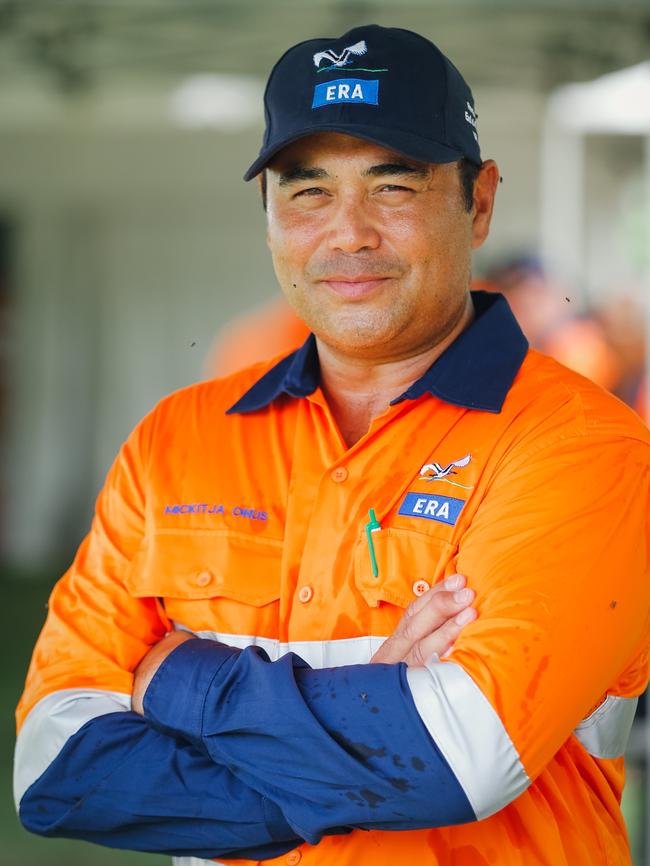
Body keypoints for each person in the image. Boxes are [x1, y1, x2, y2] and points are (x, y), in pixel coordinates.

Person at [14, 23, 650, 866]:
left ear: (481, 200)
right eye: (307, 191)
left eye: (394, 185)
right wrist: (377, 714)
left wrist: (180, 679)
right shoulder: (177, 440)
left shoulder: (584, 445)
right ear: (269, 213)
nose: (347, 233)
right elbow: (55, 769)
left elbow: (459, 758)